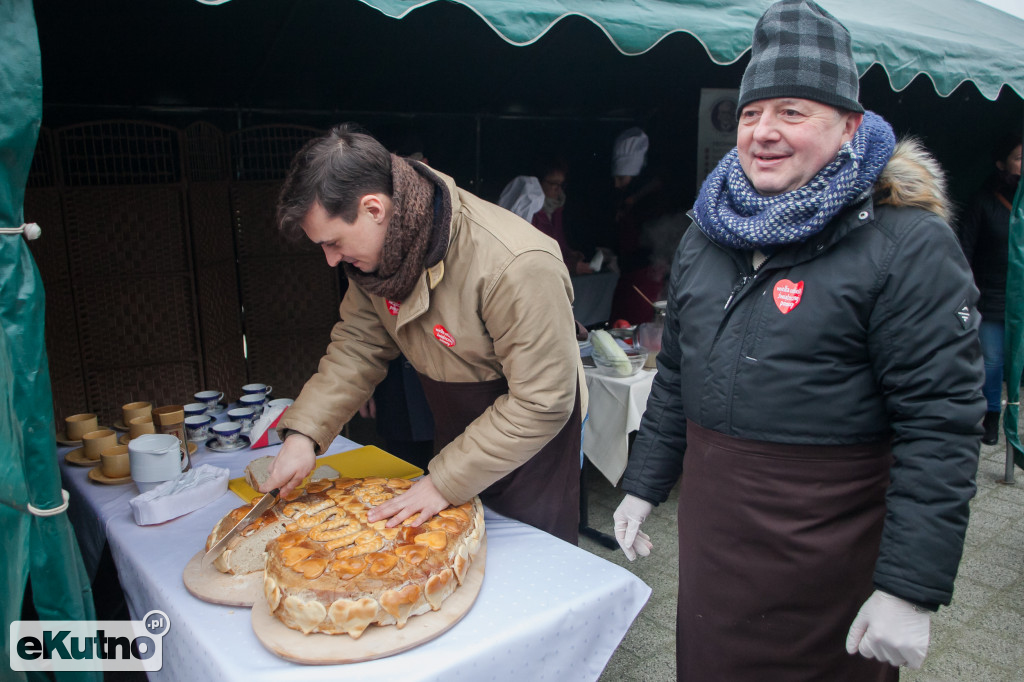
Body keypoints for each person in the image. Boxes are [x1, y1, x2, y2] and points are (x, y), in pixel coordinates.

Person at [612, 2, 984, 679]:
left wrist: (909, 588)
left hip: (826, 561)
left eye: (793, 111)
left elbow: (941, 426)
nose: (763, 133)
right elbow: (677, 376)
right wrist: (643, 483)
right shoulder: (708, 233)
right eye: (752, 113)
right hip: (714, 550)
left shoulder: (906, 245)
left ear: (849, 126)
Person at [261, 124, 586, 544]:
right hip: (462, 433)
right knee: (450, 558)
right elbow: (357, 347)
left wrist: (443, 482)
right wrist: (305, 434)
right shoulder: (376, 261)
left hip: (531, 441)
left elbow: (542, 403)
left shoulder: (514, 263)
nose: (330, 260)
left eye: (334, 242)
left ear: (374, 209)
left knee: (528, 578)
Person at [959, 132, 1022, 445]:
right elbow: (964, 250)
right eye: (1020, 158)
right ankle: (992, 418)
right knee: (993, 361)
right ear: (1002, 163)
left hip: (1022, 299)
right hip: (992, 297)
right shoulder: (983, 201)